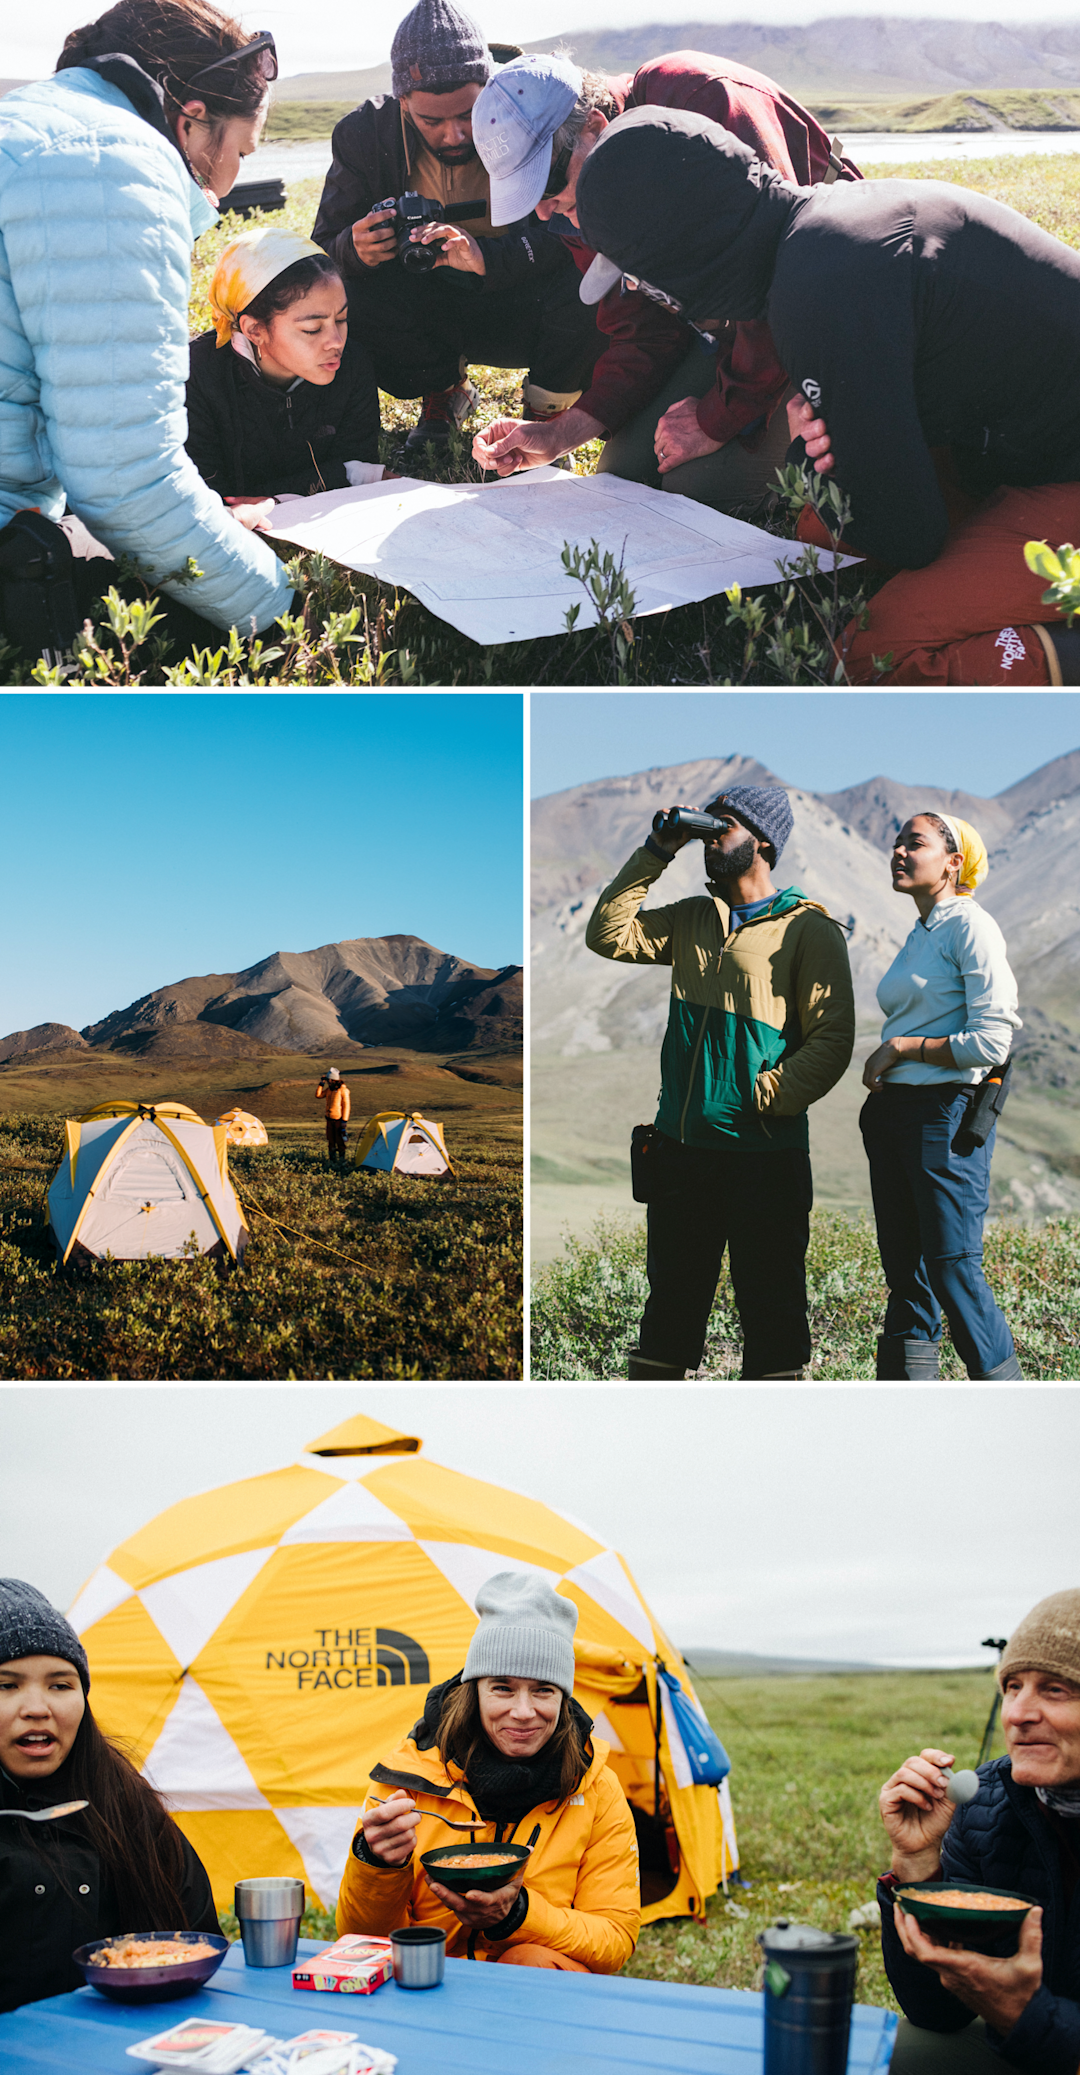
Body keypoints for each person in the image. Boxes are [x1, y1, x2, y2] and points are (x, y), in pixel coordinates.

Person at [572, 108, 1080, 685]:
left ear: (682, 255)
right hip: (1023, 448)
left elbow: (910, 534)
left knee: (872, 659)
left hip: (1061, 479)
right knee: (822, 527)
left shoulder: (820, 293)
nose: (654, 296)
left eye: (642, 277)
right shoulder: (827, 234)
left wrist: (801, 456)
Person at [0, 0, 295, 646]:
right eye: (241, 149)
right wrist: (279, 602)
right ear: (191, 123)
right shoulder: (115, 168)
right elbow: (126, 480)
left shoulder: (39, 122)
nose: (231, 179)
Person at [470, 50, 860, 512]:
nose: (543, 210)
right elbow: (643, 329)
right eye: (527, 194)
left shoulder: (697, 97)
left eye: (549, 184)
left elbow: (784, 279)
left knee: (697, 486)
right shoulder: (573, 205)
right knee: (623, 475)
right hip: (733, 325)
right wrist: (560, 434)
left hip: (826, 305)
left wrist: (715, 420)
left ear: (594, 127)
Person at [585, 786, 855, 1383]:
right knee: (669, 1314)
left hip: (765, 1155)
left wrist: (764, 1098)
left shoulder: (809, 930)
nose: (711, 836)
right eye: (709, 825)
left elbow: (833, 1039)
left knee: (773, 1313)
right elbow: (607, 934)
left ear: (763, 842)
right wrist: (656, 851)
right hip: (681, 1152)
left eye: (723, 825)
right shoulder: (690, 918)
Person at [311, 1, 607, 453]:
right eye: (431, 120)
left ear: (490, 88)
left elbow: (575, 233)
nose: (454, 135)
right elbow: (320, 255)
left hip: (526, 296)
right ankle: (444, 392)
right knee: (351, 291)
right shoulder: (363, 134)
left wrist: (484, 258)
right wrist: (353, 248)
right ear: (401, 102)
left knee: (589, 275)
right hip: (427, 305)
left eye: (468, 114)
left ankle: (547, 413)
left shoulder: (528, 109)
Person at [337, 1571, 639, 1969]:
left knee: (526, 1960)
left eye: (543, 1689)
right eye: (503, 1687)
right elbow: (362, 1943)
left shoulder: (597, 1788)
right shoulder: (406, 1778)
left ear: (563, 1699)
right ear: (474, 1689)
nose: (523, 1711)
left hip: (535, 1995)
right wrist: (378, 1864)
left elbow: (615, 1939)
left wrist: (517, 1916)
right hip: (427, 1982)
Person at [877, 1589, 1080, 2074]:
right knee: (886, 2054)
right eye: (1012, 1686)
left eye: (1055, 1688)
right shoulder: (989, 1802)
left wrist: (1025, 2016)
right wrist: (918, 1867)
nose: (1017, 1714)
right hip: (1026, 2044)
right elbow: (938, 2014)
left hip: (1042, 2041)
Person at [0, 1577, 218, 2014]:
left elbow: (194, 1938)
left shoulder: (122, 1801)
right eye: (7, 1685)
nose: (38, 1707)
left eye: (60, 1685)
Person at [860, 812, 1022, 1383]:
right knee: (906, 1273)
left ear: (954, 863)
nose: (899, 851)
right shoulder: (922, 930)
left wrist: (902, 1046)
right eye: (897, 841)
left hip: (944, 1115)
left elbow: (992, 1038)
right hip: (894, 1118)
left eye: (916, 843)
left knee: (953, 1267)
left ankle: (1013, 1408)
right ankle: (906, 1413)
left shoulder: (969, 926)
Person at [186, 229, 385, 530]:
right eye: (312, 329)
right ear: (255, 330)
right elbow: (206, 495)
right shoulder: (196, 376)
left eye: (341, 320)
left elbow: (357, 467)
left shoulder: (352, 365)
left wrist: (271, 500)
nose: (336, 341)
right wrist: (329, 479)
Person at [317, 1068, 351, 1161]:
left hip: (338, 1120)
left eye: (328, 1080)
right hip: (329, 1119)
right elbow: (318, 1095)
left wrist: (344, 1121)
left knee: (339, 1141)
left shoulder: (343, 1090)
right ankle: (332, 1160)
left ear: (333, 1080)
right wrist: (321, 1083)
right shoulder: (329, 1090)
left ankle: (341, 1159)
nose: (328, 1082)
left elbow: (346, 1106)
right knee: (330, 1141)